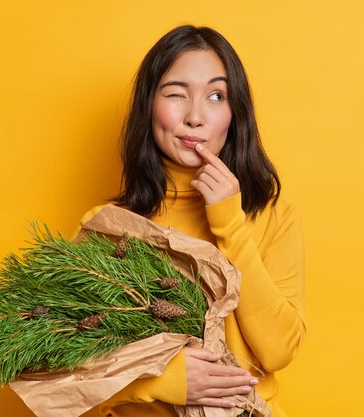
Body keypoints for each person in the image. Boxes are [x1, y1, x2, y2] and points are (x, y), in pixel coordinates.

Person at [73, 25, 306, 417]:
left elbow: (278, 350)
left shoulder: (271, 214)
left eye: (216, 96)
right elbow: (65, 367)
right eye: (176, 94)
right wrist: (163, 380)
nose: (195, 116)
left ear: (235, 114)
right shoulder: (107, 227)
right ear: (149, 105)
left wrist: (230, 224)